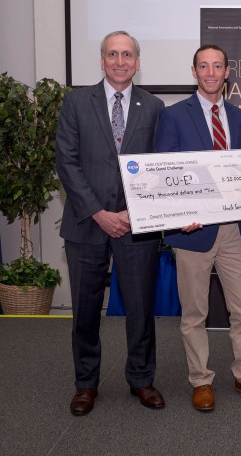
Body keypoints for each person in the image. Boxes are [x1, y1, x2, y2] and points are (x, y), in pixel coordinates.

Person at [155, 44, 241, 411]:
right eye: (203, 66)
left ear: (227, 72)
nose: (210, 72)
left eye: (217, 66)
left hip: (233, 229)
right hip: (192, 232)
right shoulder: (173, 116)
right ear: (194, 72)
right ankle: (200, 380)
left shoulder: (240, 118)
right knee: (194, 314)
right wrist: (178, 215)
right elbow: (165, 171)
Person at [56, 30, 165, 416]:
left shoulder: (153, 106)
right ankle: (86, 383)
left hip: (137, 225)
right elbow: (66, 162)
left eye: (128, 55)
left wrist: (136, 212)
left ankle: (141, 379)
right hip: (87, 224)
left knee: (140, 308)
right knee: (86, 311)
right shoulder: (75, 102)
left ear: (137, 61)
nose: (120, 61)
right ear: (102, 60)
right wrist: (99, 212)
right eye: (113, 54)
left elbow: (159, 167)